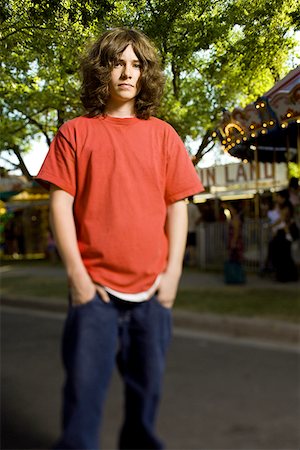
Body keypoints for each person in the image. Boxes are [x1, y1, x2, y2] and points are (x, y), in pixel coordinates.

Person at [37, 27, 203, 450]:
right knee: (83, 401)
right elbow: (60, 203)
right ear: (102, 70)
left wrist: (172, 278)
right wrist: (77, 277)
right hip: (95, 293)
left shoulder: (163, 135)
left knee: (145, 399)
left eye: (137, 65)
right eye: (118, 63)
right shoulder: (75, 132)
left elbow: (176, 205)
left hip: (152, 294)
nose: (127, 73)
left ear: (146, 74)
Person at [185, 196, 202, 266]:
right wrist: (196, 223)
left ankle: (184, 261)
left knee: (186, 246)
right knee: (192, 246)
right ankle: (192, 261)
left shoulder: (185, 207)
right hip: (192, 229)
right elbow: (198, 217)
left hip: (185, 230)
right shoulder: (194, 207)